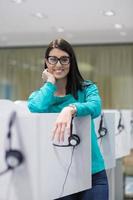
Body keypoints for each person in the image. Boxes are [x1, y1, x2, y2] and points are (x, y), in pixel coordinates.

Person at [27, 38, 109, 200]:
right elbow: (36, 108)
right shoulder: (40, 95)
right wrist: (50, 83)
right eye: (53, 59)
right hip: (58, 174)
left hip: (92, 172)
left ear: (71, 62)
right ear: (46, 62)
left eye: (64, 59)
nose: (58, 65)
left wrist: (71, 108)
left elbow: (95, 107)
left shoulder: (86, 88)